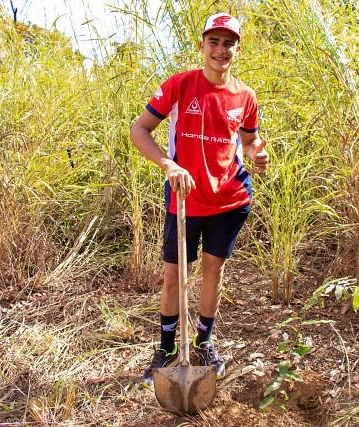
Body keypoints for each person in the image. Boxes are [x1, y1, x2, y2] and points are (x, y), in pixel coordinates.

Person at [129, 12, 269, 389]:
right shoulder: (179, 86)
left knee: (213, 271)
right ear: (202, 45)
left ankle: (204, 343)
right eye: (214, 42)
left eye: (228, 44)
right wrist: (169, 164)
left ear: (237, 49)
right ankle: (165, 349)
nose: (220, 50)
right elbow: (139, 130)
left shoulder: (245, 96)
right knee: (174, 274)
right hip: (185, 197)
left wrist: (258, 153)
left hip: (230, 198)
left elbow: (250, 140)